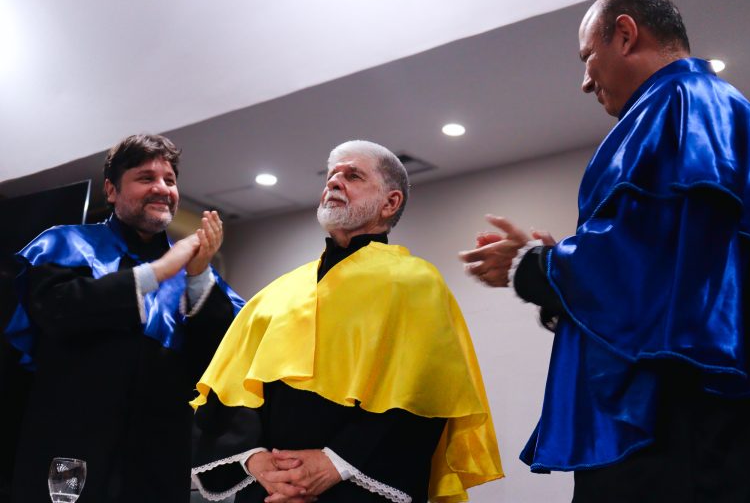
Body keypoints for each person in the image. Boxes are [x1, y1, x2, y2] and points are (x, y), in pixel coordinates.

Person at [459, 0, 750, 501]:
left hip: (673, 427)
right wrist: (560, 263)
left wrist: (533, 266)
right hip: (692, 419)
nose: (586, 81)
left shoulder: (682, 103)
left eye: (588, 57)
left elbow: (654, 260)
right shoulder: (705, 105)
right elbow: (674, 256)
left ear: (625, 34)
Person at [190, 140, 503, 503]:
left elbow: (425, 393)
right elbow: (231, 390)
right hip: (266, 490)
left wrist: (335, 463)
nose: (334, 182)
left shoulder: (416, 282)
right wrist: (257, 462)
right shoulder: (277, 291)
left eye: (353, 176)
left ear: (390, 203)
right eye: (331, 176)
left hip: (356, 484)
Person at [3, 133, 244, 503]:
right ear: (111, 190)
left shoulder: (194, 277)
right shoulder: (64, 244)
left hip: (156, 469)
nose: (162, 188)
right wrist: (159, 271)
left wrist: (197, 277)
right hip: (68, 455)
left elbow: (216, 365)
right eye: (146, 178)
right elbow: (60, 311)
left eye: (169, 180)